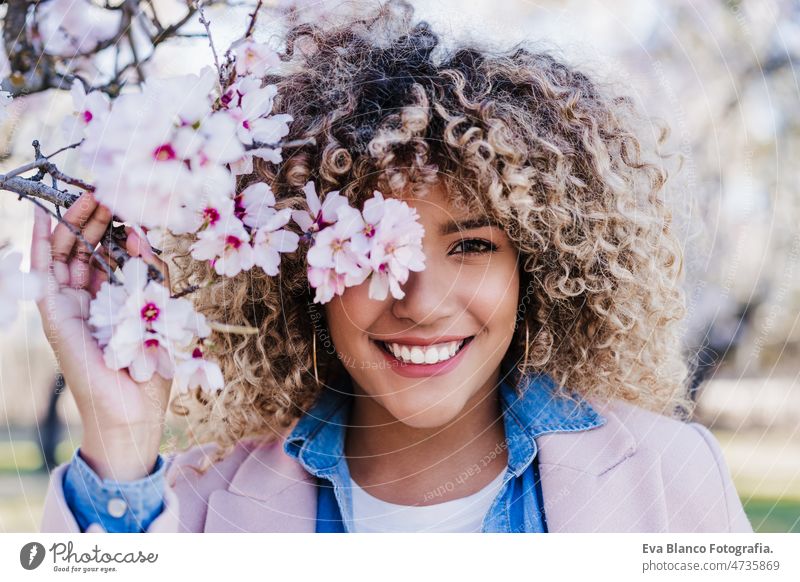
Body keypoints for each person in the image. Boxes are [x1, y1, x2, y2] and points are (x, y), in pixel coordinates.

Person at [36, 2, 752, 533]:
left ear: (536, 267)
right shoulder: (185, 507)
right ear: (299, 271)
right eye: (369, 248)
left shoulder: (673, 478)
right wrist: (119, 446)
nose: (418, 300)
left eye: (471, 244)